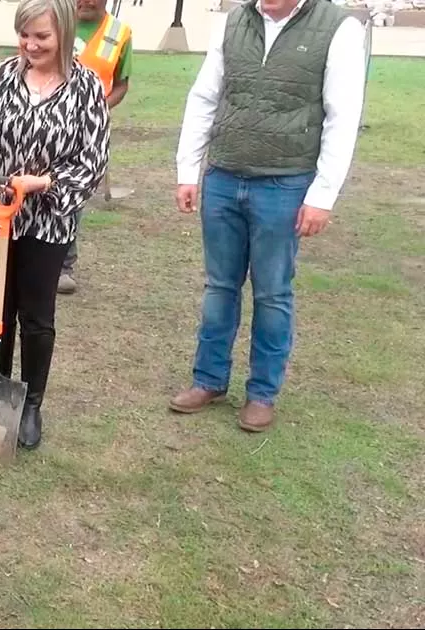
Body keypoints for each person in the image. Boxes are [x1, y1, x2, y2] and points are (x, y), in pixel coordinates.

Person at [170, 0, 365, 432]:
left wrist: (323, 194)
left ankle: (262, 393)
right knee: (220, 286)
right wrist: (189, 170)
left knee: (273, 293)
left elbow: (342, 116)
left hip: (285, 184)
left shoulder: (339, 29)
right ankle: (208, 379)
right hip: (224, 177)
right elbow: (205, 95)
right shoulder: (232, 23)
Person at [0, 0, 110, 450]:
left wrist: (44, 182)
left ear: (63, 33)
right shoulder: (4, 76)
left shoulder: (86, 89)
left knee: (37, 314)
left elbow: (92, 161)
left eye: (41, 36)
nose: (30, 44)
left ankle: (31, 404)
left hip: (48, 219)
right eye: (25, 34)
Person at [58, 0, 134, 295]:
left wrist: (95, 110)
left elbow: (121, 85)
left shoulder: (120, 33)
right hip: (45, 121)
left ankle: (64, 265)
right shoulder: (54, 19)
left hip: (87, 131)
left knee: (73, 195)